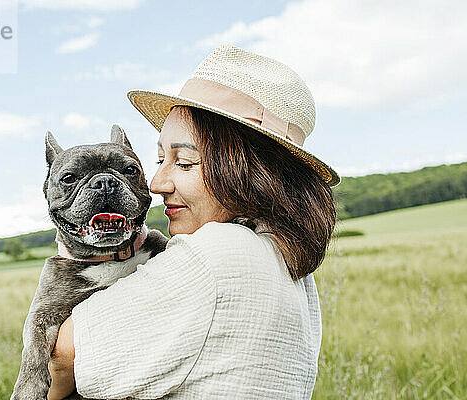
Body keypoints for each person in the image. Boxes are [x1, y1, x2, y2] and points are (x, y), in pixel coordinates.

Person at [46, 44, 340, 400]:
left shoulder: (217, 251)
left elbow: (65, 354)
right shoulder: (289, 260)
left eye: (184, 162)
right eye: (159, 160)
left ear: (248, 171)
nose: (157, 184)